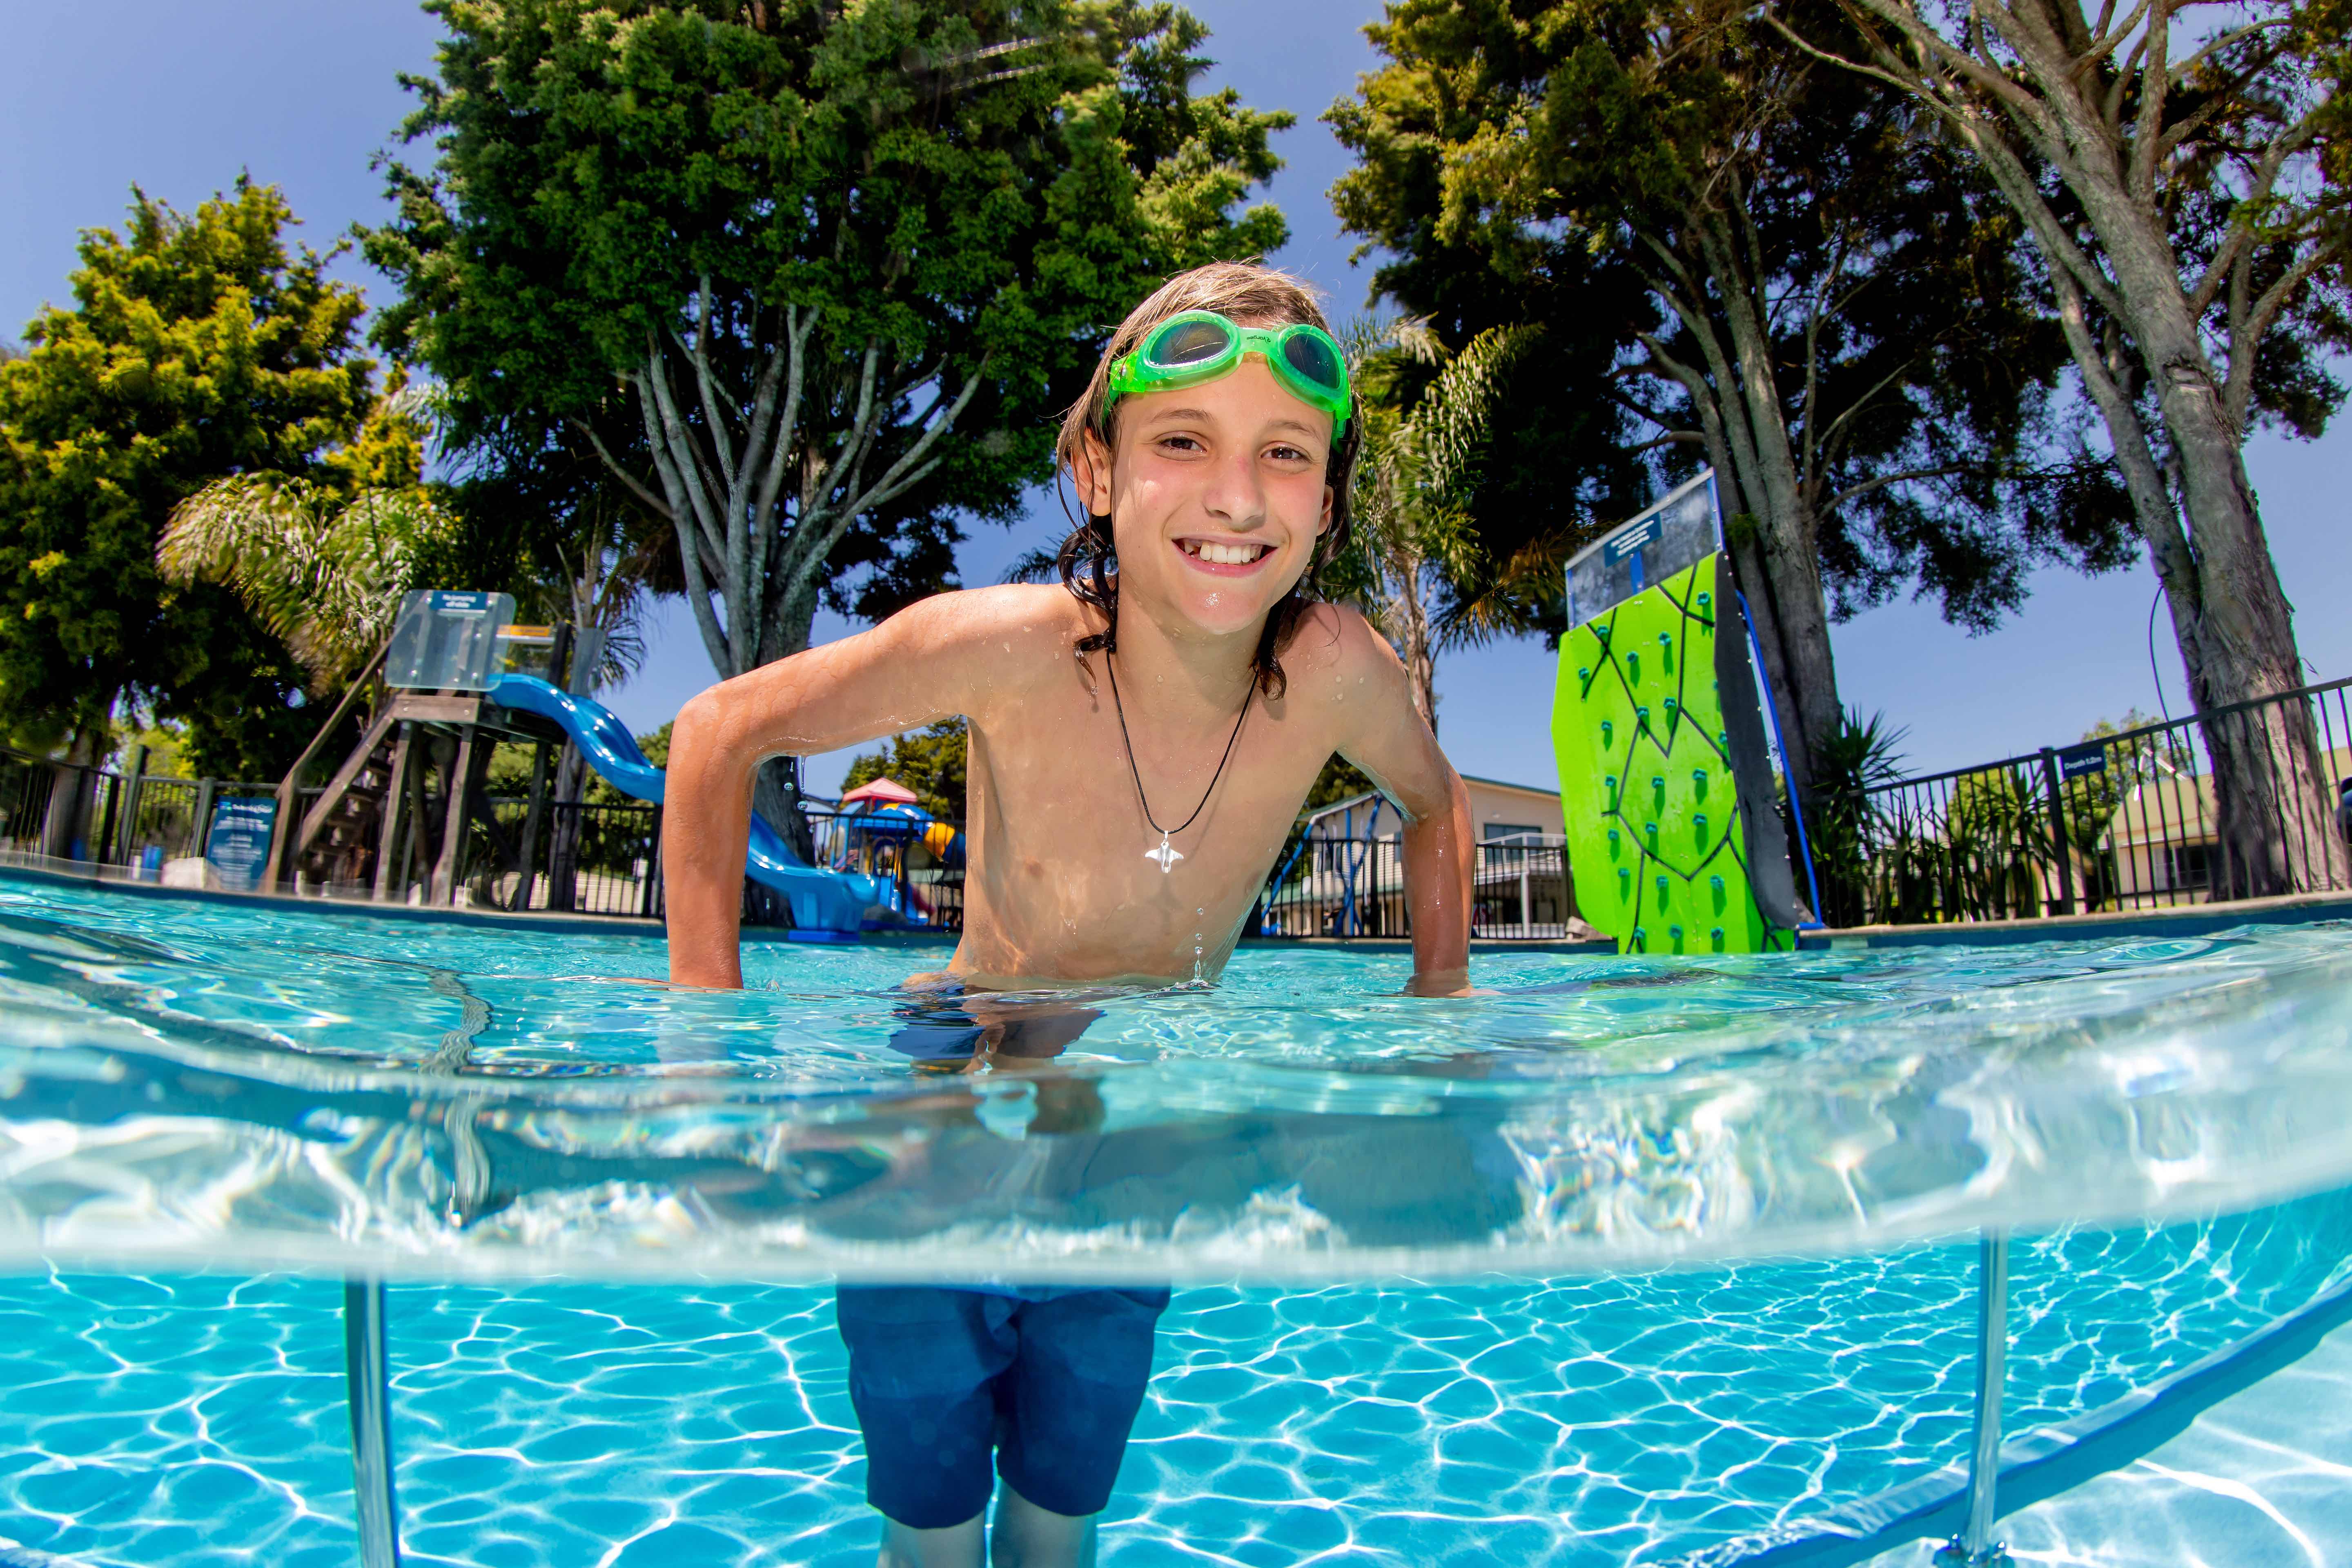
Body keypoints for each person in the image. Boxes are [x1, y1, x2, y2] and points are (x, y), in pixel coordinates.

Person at [663, 261, 1476, 1568]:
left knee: (1062, 1513)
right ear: (1099, 472)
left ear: (1325, 502)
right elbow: (716, 732)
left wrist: (1446, 1017)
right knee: (928, 1521)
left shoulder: (1334, 672)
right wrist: (699, 1047)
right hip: (958, 1079)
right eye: (1182, 442)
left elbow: (1438, 806)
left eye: (1284, 453)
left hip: (1141, 1106)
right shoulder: (1011, 645)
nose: (1234, 494)